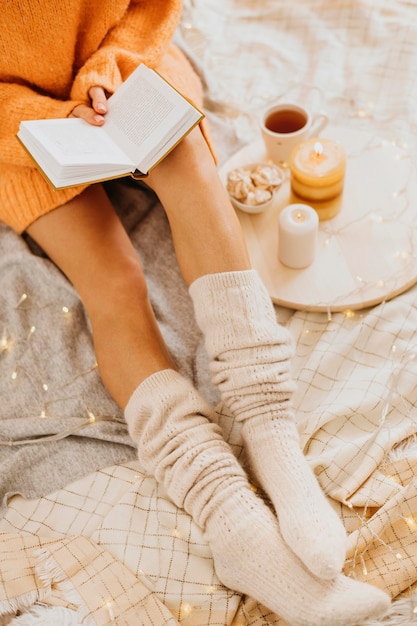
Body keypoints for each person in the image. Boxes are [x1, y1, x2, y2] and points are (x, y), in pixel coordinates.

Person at [0, 2, 390, 624]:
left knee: (192, 172)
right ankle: (226, 514)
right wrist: (55, 116)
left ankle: (268, 424)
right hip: (19, 134)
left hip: (127, 68)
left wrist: (106, 71)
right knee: (114, 281)